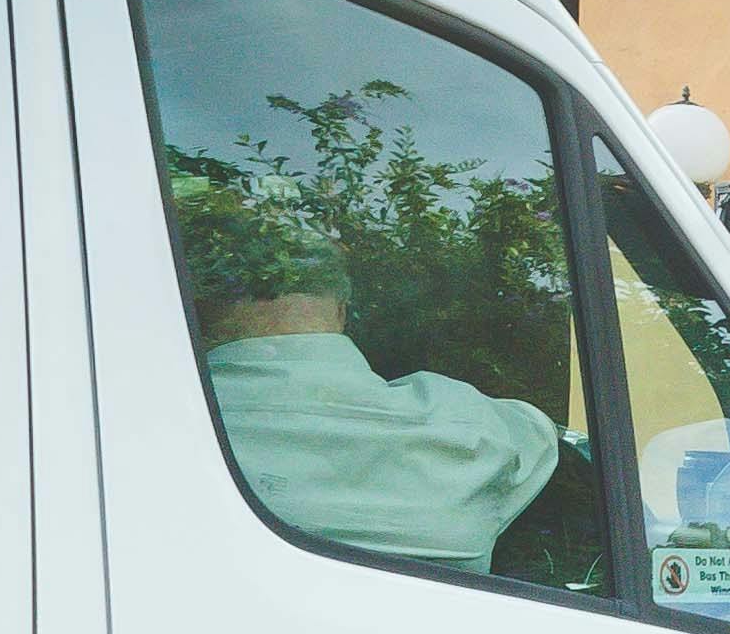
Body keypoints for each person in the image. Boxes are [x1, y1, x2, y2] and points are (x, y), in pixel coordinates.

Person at [165, 175, 573, 573]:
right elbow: (543, 431)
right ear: (342, 310)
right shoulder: (470, 431)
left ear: (199, 310)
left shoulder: (152, 426)